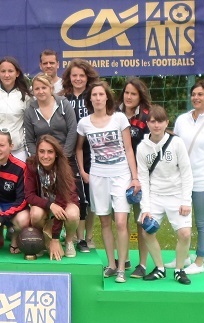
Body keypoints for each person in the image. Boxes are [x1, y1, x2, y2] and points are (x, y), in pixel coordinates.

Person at [76, 80, 140, 283]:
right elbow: (79, 148)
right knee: (104, 221)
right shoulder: (84, 123)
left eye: (101, 95)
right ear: (90, 99)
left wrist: (135, 177)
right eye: (94, 95)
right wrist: (83, 171)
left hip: (121, 175)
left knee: (121, 221)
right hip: (98, 176)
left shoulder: (119, 118)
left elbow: (129, 149)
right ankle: (111, 264)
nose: (97, 98)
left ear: (107, 97)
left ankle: (122, 267)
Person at [166, 79, 204, 275]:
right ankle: (183, 257)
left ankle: (200, 261)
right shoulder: (182, 120)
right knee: (182, 221)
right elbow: (175, 147)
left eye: (201, 94)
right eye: (194, 94)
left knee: (202, 222)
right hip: (181, 180)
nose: (196, 97)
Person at [137, 105, 193, 285]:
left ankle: (179, 269)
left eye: (160, 121)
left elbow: (186, 172)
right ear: (147, 123)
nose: (156, 125)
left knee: (185, 234)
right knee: (147, 231)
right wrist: (145, 208)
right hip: (154, 195)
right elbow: (143, 178)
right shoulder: (142, 148)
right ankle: (159, 268)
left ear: (166, 123)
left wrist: (186, 201)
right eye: (152, 121)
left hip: (177, 195)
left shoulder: (176, 143)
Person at [61, 59, 99, 253]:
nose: (77, 79)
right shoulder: (62, 97)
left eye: (81, 75)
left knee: (92, 195)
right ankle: (78, 237)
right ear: (69, 77)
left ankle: (90, 235)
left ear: (87, 77)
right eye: (74, 75)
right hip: (70, 152)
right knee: (78, 195)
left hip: (92, 151)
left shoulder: (94, 95)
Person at [116, 77, 152, 279]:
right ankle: (125, 258)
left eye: (133, 94)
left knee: (141, 220)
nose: (129, 97)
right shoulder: (114, 113)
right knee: (121, 220)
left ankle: (143, 264)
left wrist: (138, 176)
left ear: (140, 96)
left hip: (140, 177)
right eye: (126, 93)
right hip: (119, 174)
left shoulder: (147, 117)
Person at [25, 135, 80, 261]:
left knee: (72, 214)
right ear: (37, 152)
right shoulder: (31, 165)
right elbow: (29, 195)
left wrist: (55, 238)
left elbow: (61, 203)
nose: (45, 156)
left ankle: (69, 240)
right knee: (35, 213)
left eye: (50, 152)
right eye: (42, 151)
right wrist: (50, 205)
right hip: (45, 204)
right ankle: (41, 240)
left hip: (64, 203)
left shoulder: (63, 168)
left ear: (56, 153)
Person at [0, 57, 32, 161]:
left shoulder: (26, 96)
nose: (6, 75)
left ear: (17, 73)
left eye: (10, 71)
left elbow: (27, 123)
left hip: (18, 152)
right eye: (3, 71)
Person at [24, 73, 77, 158]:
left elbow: (73, 130)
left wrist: (64, 156)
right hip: (43, 160)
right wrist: (37, 159)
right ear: (33, 91)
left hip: (66, 158)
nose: (41, 91)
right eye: (37, 89)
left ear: (51, 88)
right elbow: (29, 140)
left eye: (44, 88)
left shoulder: (64, 104)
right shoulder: (30, 111)